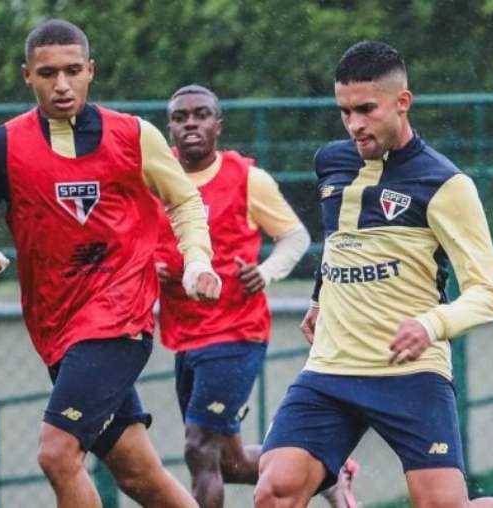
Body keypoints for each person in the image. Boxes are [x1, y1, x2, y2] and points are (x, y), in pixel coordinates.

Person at [0, 19, 218, 508]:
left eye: (73, 70)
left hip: (118, 320)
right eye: (48, 73)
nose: (62, 85)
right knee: (139, 475)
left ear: (91, 70)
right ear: (27, 75)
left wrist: (197, 259)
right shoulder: (2, 145)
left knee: (57, 454)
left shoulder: (134, 135)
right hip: (55, 327)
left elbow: (185, 201)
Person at [255, 41, 493, 508]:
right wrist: (320, 297)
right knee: (274, 491)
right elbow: (340, 237)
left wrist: (430, 324)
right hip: (332, 369)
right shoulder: (331, 162)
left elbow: (485, 293)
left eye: (366, 109)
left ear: (403, 102)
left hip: (410, 373)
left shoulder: (446, 185)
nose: (355, 124)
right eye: (344, 112)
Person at [155, 84, 358, 508]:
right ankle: (326, 474)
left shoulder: (247, 178)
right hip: (184, 334)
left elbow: (295, 237)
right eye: (179, 117)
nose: (190, 123)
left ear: (218, 125)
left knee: (198, 448)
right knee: (228, 462)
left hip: (235, 334)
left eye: (200, 114)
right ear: (169, 127)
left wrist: (265, 273)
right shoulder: (157, 177)